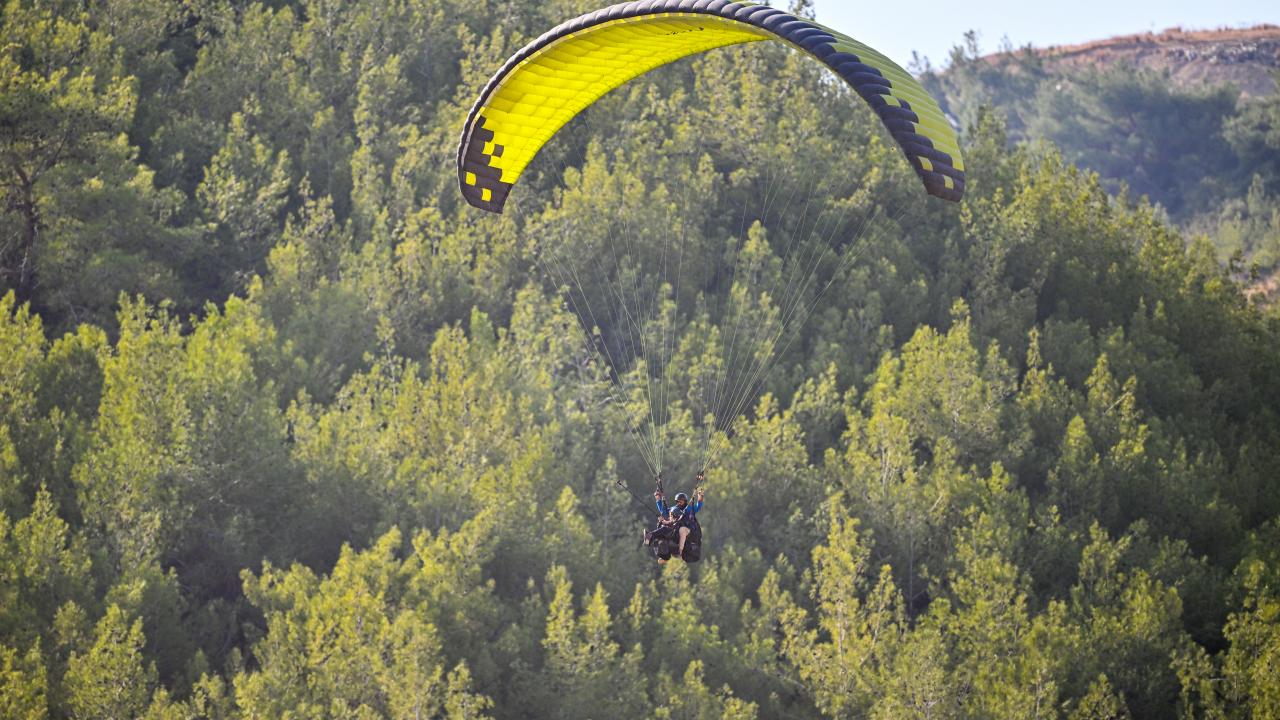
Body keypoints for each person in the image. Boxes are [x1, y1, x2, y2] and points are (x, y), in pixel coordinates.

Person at [646, 474, 705, 563]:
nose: (679, 503)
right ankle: (653, 540)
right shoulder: (673, 509)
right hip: (674, 534)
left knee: (677, 530)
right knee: (664, 530)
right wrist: (658, 499)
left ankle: (675, 553)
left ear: (685, 501)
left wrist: (700, 497)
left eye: (681, 501)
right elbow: (664, 511)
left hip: (686, 534)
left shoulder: (688, 509)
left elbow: (698, 506)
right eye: (677, 501)